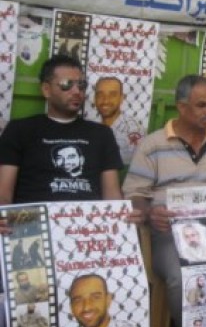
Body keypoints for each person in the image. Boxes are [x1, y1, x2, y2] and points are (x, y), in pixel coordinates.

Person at [123, 75, 206, 327]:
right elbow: (133, 194)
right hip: (170, 234)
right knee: (182, 276)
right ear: (181, 106)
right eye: (201, 105)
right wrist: (149, 213)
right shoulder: (153, 145)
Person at [0, 55, 124, 213]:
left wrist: (121, 214)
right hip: (34, 221)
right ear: (46, 90)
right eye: (67, 84)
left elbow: (112, 195)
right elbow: (3, 194)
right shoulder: (20, 130)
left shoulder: (102, 134)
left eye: (81, 85)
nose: (77, 91)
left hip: (87, 222)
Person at [68, 274, 148, 327]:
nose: (86, 307)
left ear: (108, 300)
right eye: (78, 300)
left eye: (95, 297)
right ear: (71, 308)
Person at [94, 76, 145, 165]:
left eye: (112, 95)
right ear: (94, 99)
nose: (105, 100)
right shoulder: (92, 127)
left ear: (121, 98)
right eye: (100, 95)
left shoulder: (132, 129)